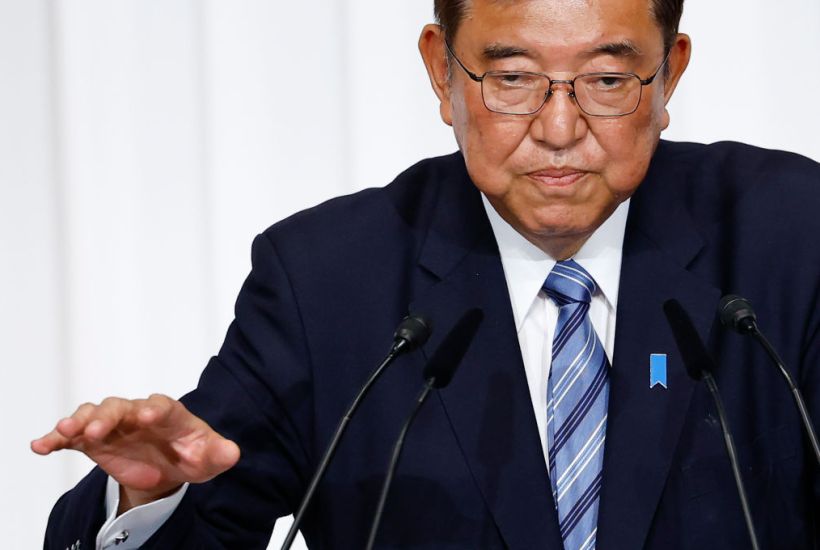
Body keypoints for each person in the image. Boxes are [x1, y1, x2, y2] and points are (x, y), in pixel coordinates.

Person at [33, 0, 820, 548]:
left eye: (607, 81)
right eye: (513, 78)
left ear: (669, 74)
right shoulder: (329, 280)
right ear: (443, 70)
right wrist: (151, 497)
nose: (559, 128)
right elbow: (207, 502)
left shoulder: (790, 237)